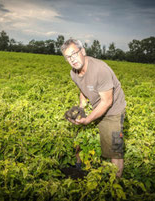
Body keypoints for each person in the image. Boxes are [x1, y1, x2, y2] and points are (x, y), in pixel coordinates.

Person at [61, 38, 127, 177]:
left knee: (114, 151)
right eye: (68, 57)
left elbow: (107, 102)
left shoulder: (100, 70)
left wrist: (88, 119)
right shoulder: (74, 73)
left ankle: (114, 186)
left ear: (83, 51)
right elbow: (83, 89)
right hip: (96, 106)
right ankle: (80, 169)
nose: (72, 59)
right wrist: (81, 108)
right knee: (80, 139)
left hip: (113, 112)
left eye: (74, 54)